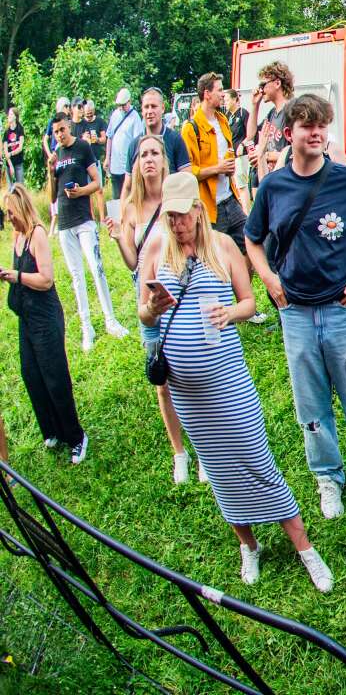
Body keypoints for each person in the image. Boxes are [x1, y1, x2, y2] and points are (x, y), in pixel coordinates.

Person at [139, 170, 332, 590]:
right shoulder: (157, 249)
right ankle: (248, 545)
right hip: (188, 393)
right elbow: (143, 315)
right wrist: (152, 308)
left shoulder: (224, 247)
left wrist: (230, 313)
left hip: (228, 380)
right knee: (220, 471)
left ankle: (305, 548)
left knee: (255, 459)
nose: (176, 224)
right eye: (169, 217)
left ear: (197, 209)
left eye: (182, 215)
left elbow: (248, 302)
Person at [244, 94, 346, 522]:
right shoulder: (273, 187)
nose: (316, 133)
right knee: (310, 406)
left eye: (322, 126)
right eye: (307, 127)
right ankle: (328, 477)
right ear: (288, 134)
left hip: (344, 311)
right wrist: (269, 280)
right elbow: (253, 239)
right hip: (296, 315)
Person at [106, 134, 197, 483]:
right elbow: (133, 262)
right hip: (150, 299)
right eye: (143, 154)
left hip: (183, 296)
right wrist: (118, 240)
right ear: (137, 163)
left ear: (164, 160)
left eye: (155, 153)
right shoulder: (131, 206)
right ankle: (180, 453)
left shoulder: (178, 200)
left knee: (189, 375)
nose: (149, 159)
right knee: (162, 380)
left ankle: (203, 447)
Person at [3, 185, 87, 464]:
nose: (8, 219)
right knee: (32, 374)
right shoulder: (17, 235)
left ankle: (76, 437)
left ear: (22, 209)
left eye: (11, 213)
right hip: (26, 317)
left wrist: (17, 276)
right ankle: (52, 430)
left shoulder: (38, 234)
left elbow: (46, 280)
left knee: (55, 377)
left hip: (45, 315)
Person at [50, 113, 128, 350]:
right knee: (76, 276)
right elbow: (51, 196)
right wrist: (49, 169)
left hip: (84, 219)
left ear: (69, 127)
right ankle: (87, 328)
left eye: (62, 130)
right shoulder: (56, 156)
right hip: (64, 223)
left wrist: (81, 192)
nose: (59, 135)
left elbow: (97, 182)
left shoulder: (82, 147)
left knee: (97, 269)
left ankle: (110, 320)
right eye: (55, 132)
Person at [182, 72, 248, 254]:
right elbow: (187, 173)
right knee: (217, 257)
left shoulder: (223, 120)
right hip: (210, 207)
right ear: (207, 94)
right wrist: (216, 169)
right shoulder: (190, 128)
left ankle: (241, 283)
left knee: (250, 245)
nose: (222, 94)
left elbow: (227, 153)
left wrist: (229, 166)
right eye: (219, 90)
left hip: (230, 198)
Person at [125, 87, 191, 197]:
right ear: (142, 110)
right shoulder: (134, 145)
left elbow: (187, 180)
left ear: (162, 108)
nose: (150, 111)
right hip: (143, 210)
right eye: (146, 107)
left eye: (154, 106)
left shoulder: (175, 140)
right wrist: (124, 212)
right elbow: (127, 187)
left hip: (170, 207)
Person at [250, 61, 295, 179]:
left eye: (262, 84)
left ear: (277, 83)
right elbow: (250, 135)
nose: (260, 90)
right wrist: (255, 105)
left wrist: (266, 156)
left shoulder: (292, 111)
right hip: (273, 177)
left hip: (287, 180)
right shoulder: (272, 113)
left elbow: (297, 154)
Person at [104, 88, 143, 199]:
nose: (121, 108)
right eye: (119, 105)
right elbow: (109, 137)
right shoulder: (115, 115)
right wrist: (107, 157)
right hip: (115, 165)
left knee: (129, 197)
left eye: (123, 105)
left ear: (129, 102)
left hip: (128, 166)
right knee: (117, 197)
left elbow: (138, 142)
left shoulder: (135, 117)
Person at [4, 107, 25, 189]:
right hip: (9, 164)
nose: (9, 116)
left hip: (18, 163)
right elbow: (5, 151)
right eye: (9, 114)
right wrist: (11, 165)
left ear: (15, 116)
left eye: (11, 114)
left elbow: (20, 147)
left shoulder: (20, 129)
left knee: (20, 188)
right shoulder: (6, 132)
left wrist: (11, 153)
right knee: (10, 189)